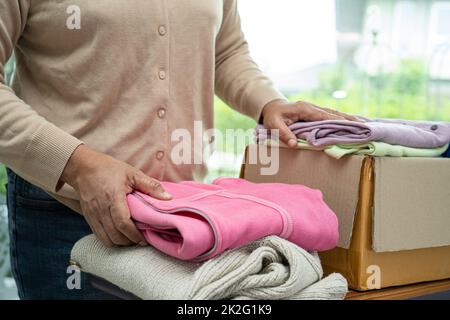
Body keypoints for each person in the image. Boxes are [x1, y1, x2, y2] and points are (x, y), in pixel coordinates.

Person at [0, 0, 354, 299]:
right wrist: (78, 164)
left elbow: (225, 50)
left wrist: (268, 102)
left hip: (181, 217)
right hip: (66, 210)